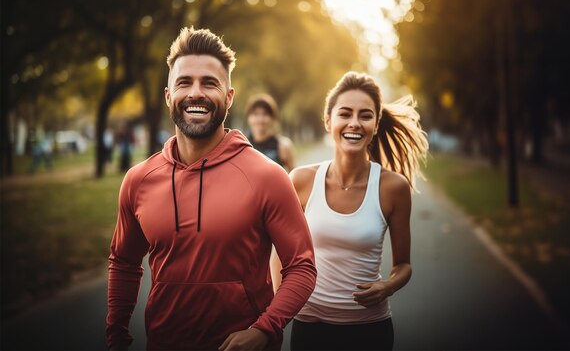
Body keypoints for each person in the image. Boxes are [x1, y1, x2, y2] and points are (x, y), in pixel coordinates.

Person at [106, 27, 316, 351]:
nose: (195, 93)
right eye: (184, 82)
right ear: (168, 96)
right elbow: (123, 262)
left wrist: (264, 329)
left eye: (209, 83)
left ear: (229, 98)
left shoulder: (267, 177)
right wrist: (116, 337)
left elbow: (301, 267)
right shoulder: (138, 181)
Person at [272, 71, 429, 351]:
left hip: (369, 330)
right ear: (328, 120)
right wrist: (279, 307)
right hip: (309, 326)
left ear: (376, 124)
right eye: (345, 114)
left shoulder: (393, 188)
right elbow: (278, 251)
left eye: (365, 115)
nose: (354, 123)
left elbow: (403, 266)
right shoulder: (301, 180)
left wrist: (388, 286)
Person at [245, 93, 295, 172]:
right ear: (248, 118)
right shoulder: (243, 146)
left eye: (265, 114)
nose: (260, 119)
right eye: (256, 114)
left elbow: (293, 178)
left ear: (272, 118)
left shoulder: (283, 145)